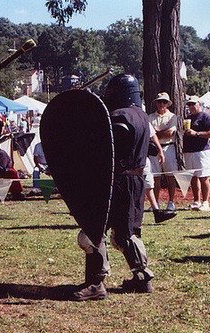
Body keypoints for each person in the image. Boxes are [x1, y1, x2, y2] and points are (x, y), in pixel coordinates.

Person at [72, 74, 154, 301]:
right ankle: (141, 278)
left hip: (115, 182)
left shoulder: (119, 116)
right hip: (135, 180)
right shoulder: (141, 116)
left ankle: (96, 283)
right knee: (126, 233)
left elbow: (104, 148)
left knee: (92, 231)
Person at [183, 95, 210, 211]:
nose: (191, 106)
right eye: (189, 104)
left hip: (203, 151)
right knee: (193, 177)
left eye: (193, 104)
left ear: (199, 104)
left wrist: (196, 133)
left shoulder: (206, 116)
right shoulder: (189, 117)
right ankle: (196, 201)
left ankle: (205, 202)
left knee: (203, 177)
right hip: (189, 151)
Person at [148, 92, 178, 211]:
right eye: (159, 102)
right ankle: (156, 203)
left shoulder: (172, 117)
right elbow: (150, 135)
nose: (162, 104)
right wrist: (160, 133)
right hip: (155, 148)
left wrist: (156, 132)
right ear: (156, 103)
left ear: (167, 104)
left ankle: (171, 202)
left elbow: (170, 132)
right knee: (156, 177)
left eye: (164, 102)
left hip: (168, 147)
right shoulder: (150, 117)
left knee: (170, 176)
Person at [144, 125, 177, 223]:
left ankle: (157, 212)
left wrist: (160, 150)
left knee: (149, 184)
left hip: (142, 157)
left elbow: (153, 134)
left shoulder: (144, 118)